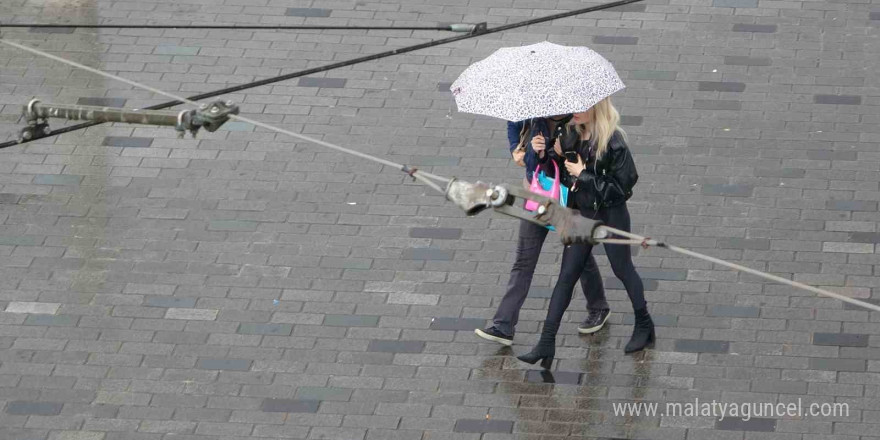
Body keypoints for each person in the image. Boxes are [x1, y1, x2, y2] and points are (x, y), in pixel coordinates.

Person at [517, 97, 651, 368]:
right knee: (566, 276)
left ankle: (644, 325)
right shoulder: (568, 133)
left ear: (596, 108)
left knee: (622, 269)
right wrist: (544, 154)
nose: (573, 112)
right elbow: (561, 175)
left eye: (580, 107)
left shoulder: (613, 142)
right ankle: (546, 342)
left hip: (610, 215)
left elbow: (622, 189)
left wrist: (583, 174)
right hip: (580, 214)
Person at [474, 115, 608, 346]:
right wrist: (525, 150)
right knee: (524, 260)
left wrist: (562, 151)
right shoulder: (531, 114)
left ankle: (598, 306)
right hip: (537, 194)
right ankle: (503, 325)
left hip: (568, 199)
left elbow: (584, 166)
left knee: (579, 258)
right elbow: (516, 132)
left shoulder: (579, 121)